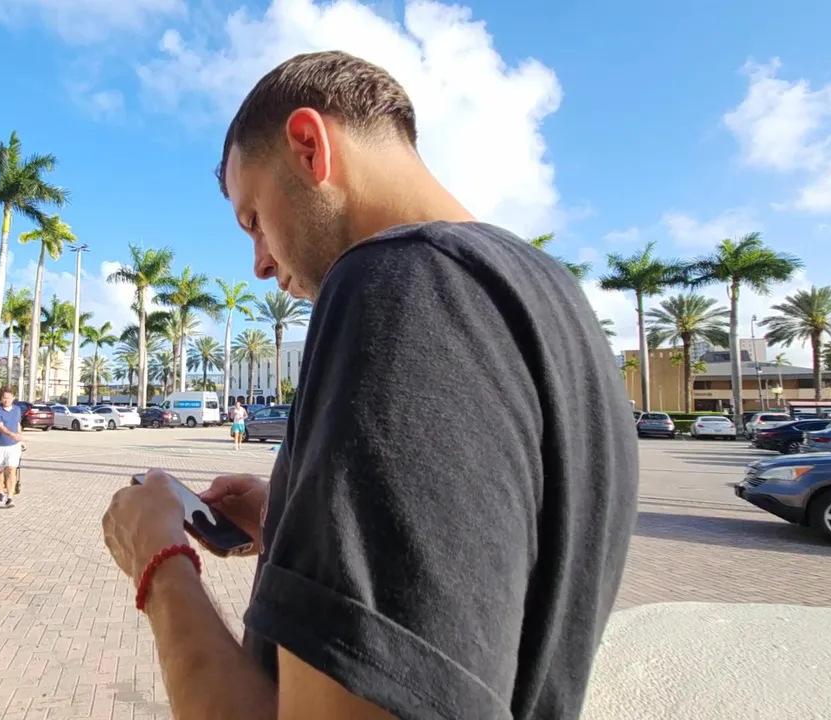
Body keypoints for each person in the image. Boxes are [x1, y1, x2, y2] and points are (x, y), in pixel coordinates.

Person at [101, 50, 638, 720]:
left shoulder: (398, 283)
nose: (260, 263)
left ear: (308, 147)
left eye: (253, 220)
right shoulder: (550, 295)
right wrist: (295, 518)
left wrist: (161, 563)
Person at [0, 387, 24, 508]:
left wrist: (20, 438)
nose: (6, 400)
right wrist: (12, 434)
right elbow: (0, 427)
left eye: (9, 398)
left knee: (11, 469)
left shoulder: (17, 410)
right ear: (1, 398)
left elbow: (18, 424)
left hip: (13, 446)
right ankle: (1, 493)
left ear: (13, 398)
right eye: (4, 398)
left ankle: (10, 497)